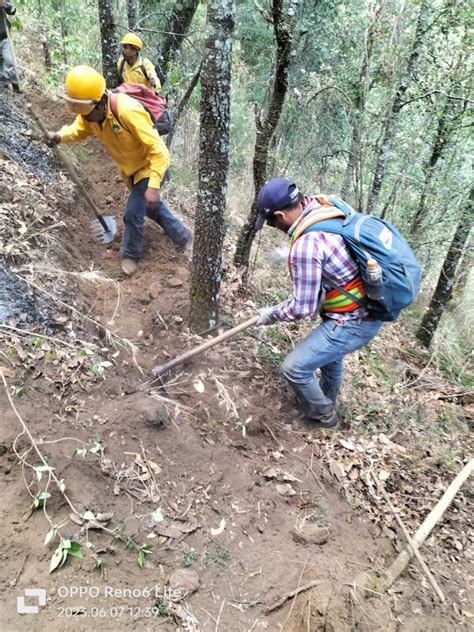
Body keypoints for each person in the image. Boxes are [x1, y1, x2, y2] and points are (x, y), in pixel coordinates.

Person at [255, 178, 384, 430]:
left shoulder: (306, 245)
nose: (273, 226)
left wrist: (269, 314)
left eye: (271, 222)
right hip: (365, 308)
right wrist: (292, 254)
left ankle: (325, 417)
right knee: (330, 358)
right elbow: (334, 247)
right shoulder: (325, 203)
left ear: (280, 214)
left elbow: (302, 308)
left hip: (353, 320)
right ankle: (326, 399)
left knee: (293, 368)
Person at [44, 65, 191, 276]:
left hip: (149, 166)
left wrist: (154, 184)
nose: (84, 118)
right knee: (150, 207)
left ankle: (130, 255)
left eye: (86, 113)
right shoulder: (90, 114)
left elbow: (159, 151)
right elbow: (79, 129)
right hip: (130, 171)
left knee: (132, 213)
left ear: (101, 102)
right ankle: (185, 237)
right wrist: (59, 136)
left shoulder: (127, 111)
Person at [0, 0, 19, 92]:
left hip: (4, 35)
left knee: (9, 59)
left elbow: (12, 10)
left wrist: (6, 5)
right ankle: (4, 85)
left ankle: (8, 81)